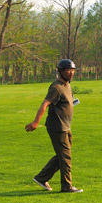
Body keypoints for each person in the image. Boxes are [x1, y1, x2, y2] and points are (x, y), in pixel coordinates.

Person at [25, 59, 83, 193]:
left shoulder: (67, 85)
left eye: (73, 70)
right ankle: (66, 186)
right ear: (61, 71)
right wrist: (35, 122)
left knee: (62, 155)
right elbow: (45, 104)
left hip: (66, 126)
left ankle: (41, 178)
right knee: (65, 157)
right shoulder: (56, 87)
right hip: (57, 127)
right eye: (69, 70)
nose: (71, 73)